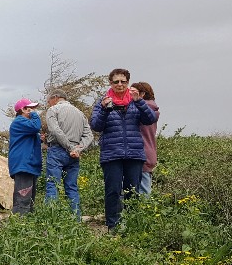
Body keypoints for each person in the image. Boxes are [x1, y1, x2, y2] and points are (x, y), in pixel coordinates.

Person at [90, 68, 158, 230]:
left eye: (123, 81)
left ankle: (132, 225)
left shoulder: (136, 101)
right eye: (116, 82)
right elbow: (96, 126)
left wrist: (140, 102)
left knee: (132, 191)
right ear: (110, 83)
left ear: (128, 82)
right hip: (111, 153)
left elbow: (150, 119)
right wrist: (105, 110)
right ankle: (113, 226)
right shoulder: (102, 102)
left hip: (134, 153)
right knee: (113, 190)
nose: (120, 84)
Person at [44, 89, 94, 218]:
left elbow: (55, 130)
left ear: (55, 98)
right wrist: (78, 149)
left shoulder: (53, 110)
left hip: (57, 151)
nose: (49, 104)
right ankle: (75, 221)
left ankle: (51, 220)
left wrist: (70, 147)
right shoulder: (80, 113)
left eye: (48, 101)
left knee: (52, 184)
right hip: (74, 155)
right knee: (72, 187)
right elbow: (89, 135)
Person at [9, 98, 42, 215]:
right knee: (23, 199)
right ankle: (20, 225)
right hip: (23, 165)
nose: (33, 111)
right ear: (23, 109)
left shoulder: (26, 125)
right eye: (30, 108)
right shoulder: (19, 121)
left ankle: (26, 226)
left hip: (30, 165)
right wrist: (34, 115)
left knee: (29, 199)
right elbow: (36, 126)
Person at [132, 82, 160, 195]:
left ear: (142, 94)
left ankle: (143, 211)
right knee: (144, 188)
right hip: (150, 152)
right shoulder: (154, 110)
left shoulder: (142, 110)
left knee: (143, 191)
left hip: (142, 152)